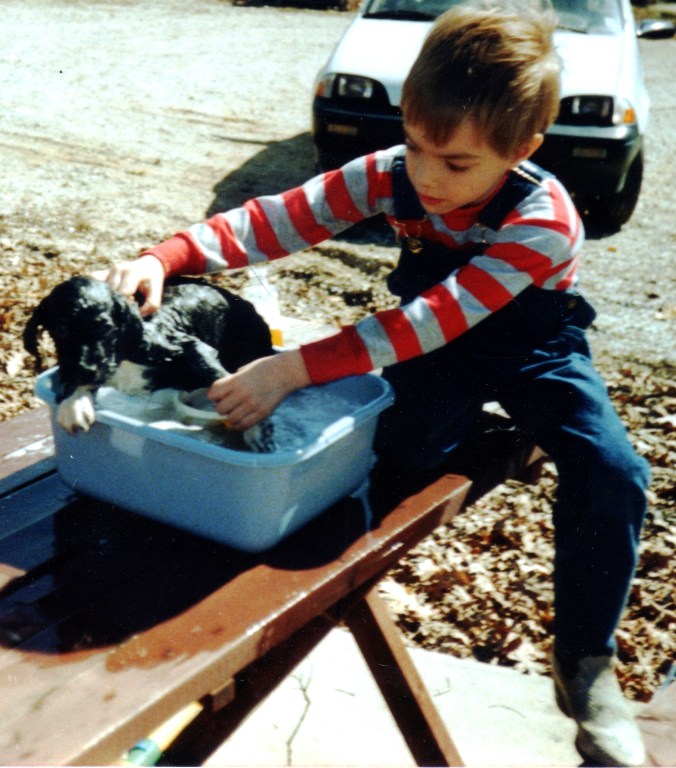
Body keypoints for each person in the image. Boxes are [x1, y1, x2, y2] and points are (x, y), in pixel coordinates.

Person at [97, 3, 650, 764]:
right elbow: (274, 220)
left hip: (532, 347)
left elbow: (436, 316)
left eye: (457, 164)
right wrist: (168, 256)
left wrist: (293, 367)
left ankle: (587, 658)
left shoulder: (544, 217)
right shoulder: (393, 174)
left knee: (613, 469)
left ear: (523, 148)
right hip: (438, 351)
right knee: (405, 459)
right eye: (417, 144)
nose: (426, 175)